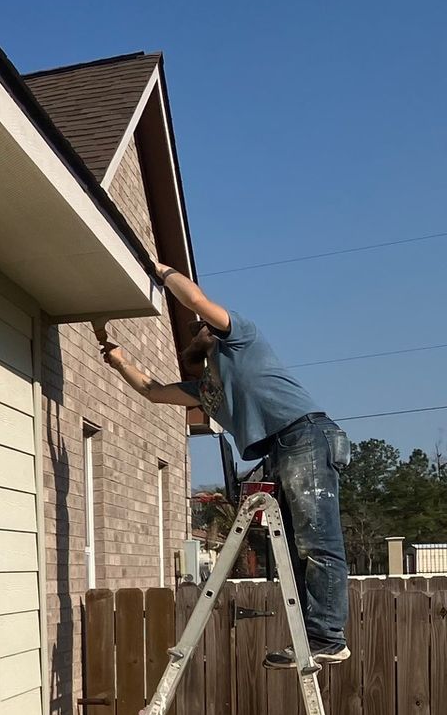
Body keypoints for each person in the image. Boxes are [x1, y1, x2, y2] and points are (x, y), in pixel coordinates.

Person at [93, 262, 350, 667]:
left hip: (306, 436)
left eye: (200, 326)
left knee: (317, 541)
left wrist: (162, 271)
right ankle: (309, 639)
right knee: (297, 551)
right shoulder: (208, 390)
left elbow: (195, 299)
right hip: (278, 451)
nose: (197, 327)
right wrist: (120, 360)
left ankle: (328, 637)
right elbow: (154, 392)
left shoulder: (242, 338)